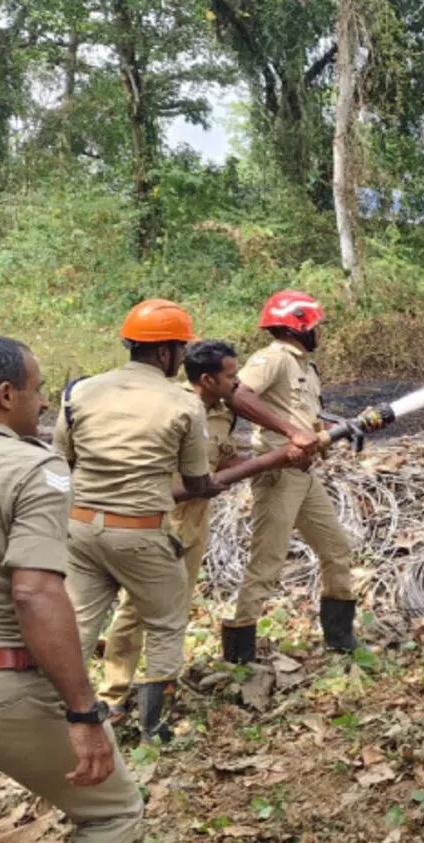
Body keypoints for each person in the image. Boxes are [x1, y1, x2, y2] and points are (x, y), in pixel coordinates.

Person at [0, 335, 144, 843]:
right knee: (112, 812)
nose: (42, 407)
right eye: (37, 393)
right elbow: (33, 595)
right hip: (7, 684)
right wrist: (83, 713)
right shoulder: (32, 469)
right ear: (6, 394)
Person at [98, 340, 313, 713]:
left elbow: (224, 460)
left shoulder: (220, 413)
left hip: (195, 522)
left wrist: (278, 458)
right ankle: (113, 695)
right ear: (209, 379)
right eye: (231, 377)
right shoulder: (173, 408)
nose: (238, 384)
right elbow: (194, 483)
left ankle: (159, 689)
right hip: (160, 520)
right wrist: (273, 459)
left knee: (177, 607)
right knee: (137, 609)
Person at [53, 298, 219, 742]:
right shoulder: (182, 403)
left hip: (81, 528)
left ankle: (57, 723)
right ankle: (155, 728)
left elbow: (61, 460)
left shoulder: (79, 391)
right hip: (141, 533)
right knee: (165, 621)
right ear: (165, 353)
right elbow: (197, 480)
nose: (182, 358)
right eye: (180, 349)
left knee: (78, 625)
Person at [223, 290, 361, 664]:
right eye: (315, 325)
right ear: (298, 325)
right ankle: (240, 652)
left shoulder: (304, 367)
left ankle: (340, 635)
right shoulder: (272, 359)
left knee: (337, 550)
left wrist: (341, 427)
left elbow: (305, 418)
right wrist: (289, 432)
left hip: (304, 475)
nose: (320, 331)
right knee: (267, 562)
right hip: (278, 473)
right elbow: (237, 395)